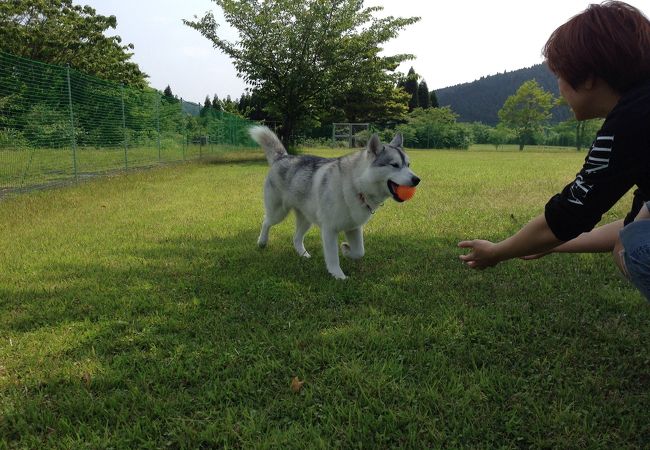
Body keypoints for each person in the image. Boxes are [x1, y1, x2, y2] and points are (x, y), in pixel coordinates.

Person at [458, 1, 650, 301]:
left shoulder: (632, 119)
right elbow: (638, 219)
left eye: (559, 75)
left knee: (632, 246)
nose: (558, 87)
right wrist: (552, 244)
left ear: (587, 77)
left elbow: (568, 215)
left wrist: (497, 252)